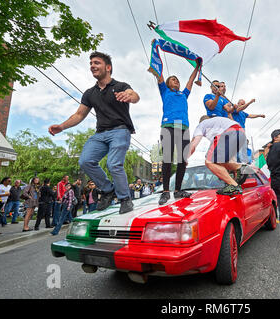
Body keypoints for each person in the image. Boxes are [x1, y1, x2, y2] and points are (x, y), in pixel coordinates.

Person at [49, 51, 139, 215]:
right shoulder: (90, 93)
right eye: (91, 64)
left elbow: (135, 96)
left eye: (97, 63)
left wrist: (129, 95)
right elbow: (79, 115)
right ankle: (107, 189)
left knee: (113, 164)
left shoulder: (120, 86)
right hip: (100, 134)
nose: (92, 66)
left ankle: (125, 199)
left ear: (108, 67)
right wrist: (62, 127)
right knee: (85, 161)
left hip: (120, 131)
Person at [154, 60, 201, 205]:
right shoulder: (165, 91)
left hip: (183, 127)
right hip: (168, 125)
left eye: (178, 80)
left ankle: (178, 190)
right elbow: (159, 73)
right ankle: (166, 191)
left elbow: (190, 81)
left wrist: (197, 67)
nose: (177, 81)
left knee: (183, 160)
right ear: (168, 84)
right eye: (173, 80)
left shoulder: (183, 94)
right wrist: (155, 49)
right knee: (167, 158)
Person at [188, 115, 249, 196]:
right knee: (220, 161)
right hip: (241, 133)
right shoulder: (218, 122)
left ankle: (234, 185)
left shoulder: (202, 124)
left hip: (228, 132)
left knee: (209, 162)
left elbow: (193, 145)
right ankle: (240, 168)